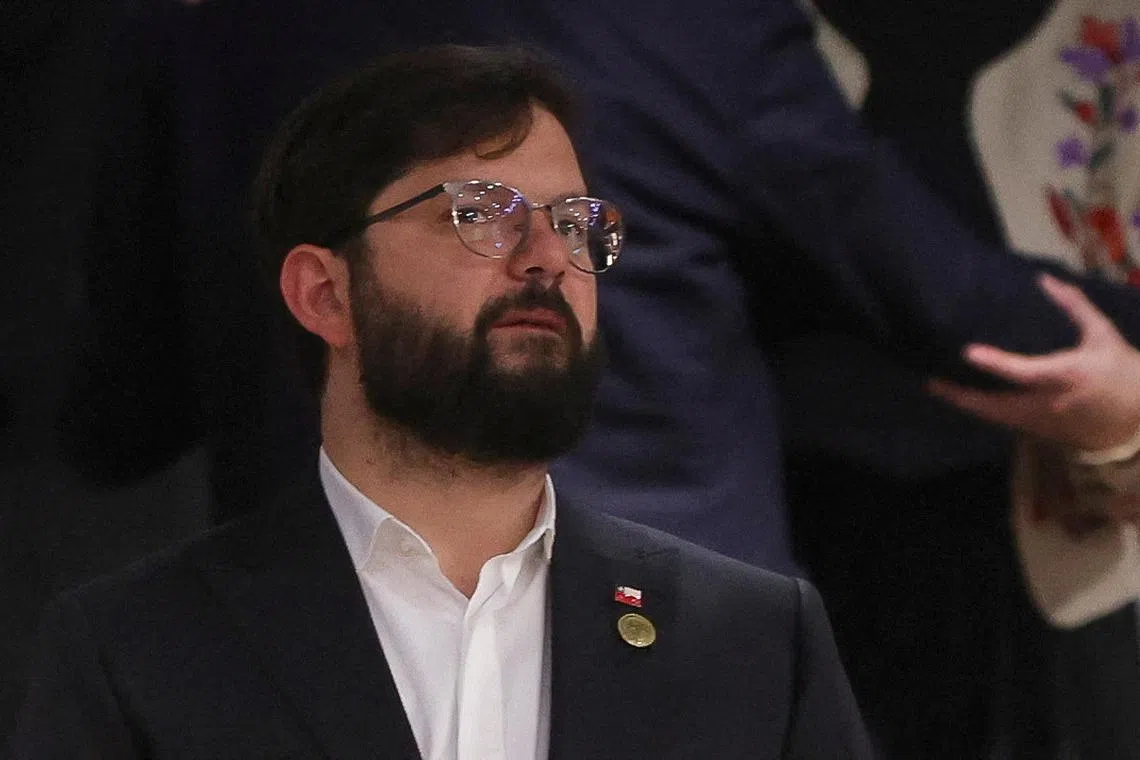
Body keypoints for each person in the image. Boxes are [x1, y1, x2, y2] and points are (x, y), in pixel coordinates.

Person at [9, 46, 872, 759]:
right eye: (480, 212)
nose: (546, 257)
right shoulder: (133, 652)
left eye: (576, 222)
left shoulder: (756, 642)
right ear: (325, 294)